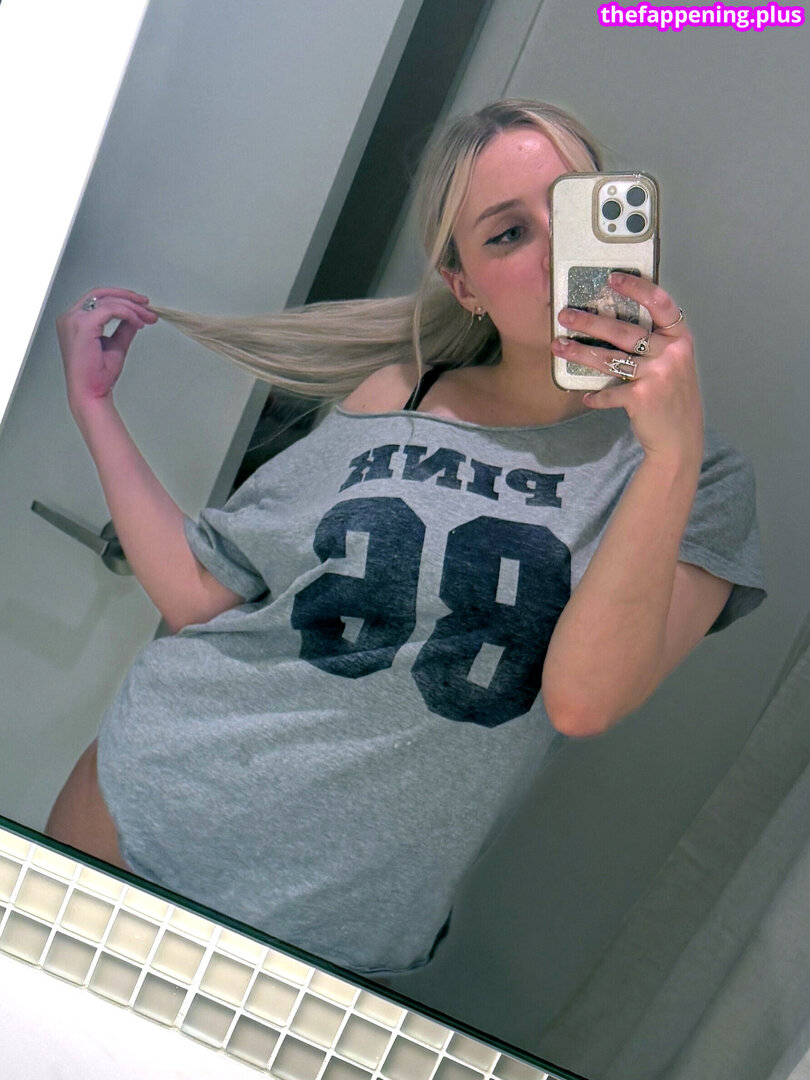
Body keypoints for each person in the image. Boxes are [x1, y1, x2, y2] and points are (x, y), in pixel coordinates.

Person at [47, 100, 765, 975]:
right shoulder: (401, 394)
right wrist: (94, 408)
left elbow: (583, 702)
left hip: (338, 921)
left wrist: (669, 452)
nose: (554, 253)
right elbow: (206, 593)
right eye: (508, 234)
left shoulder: (699, 479)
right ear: (465, 286)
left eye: (573, 208)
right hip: (147, 805)